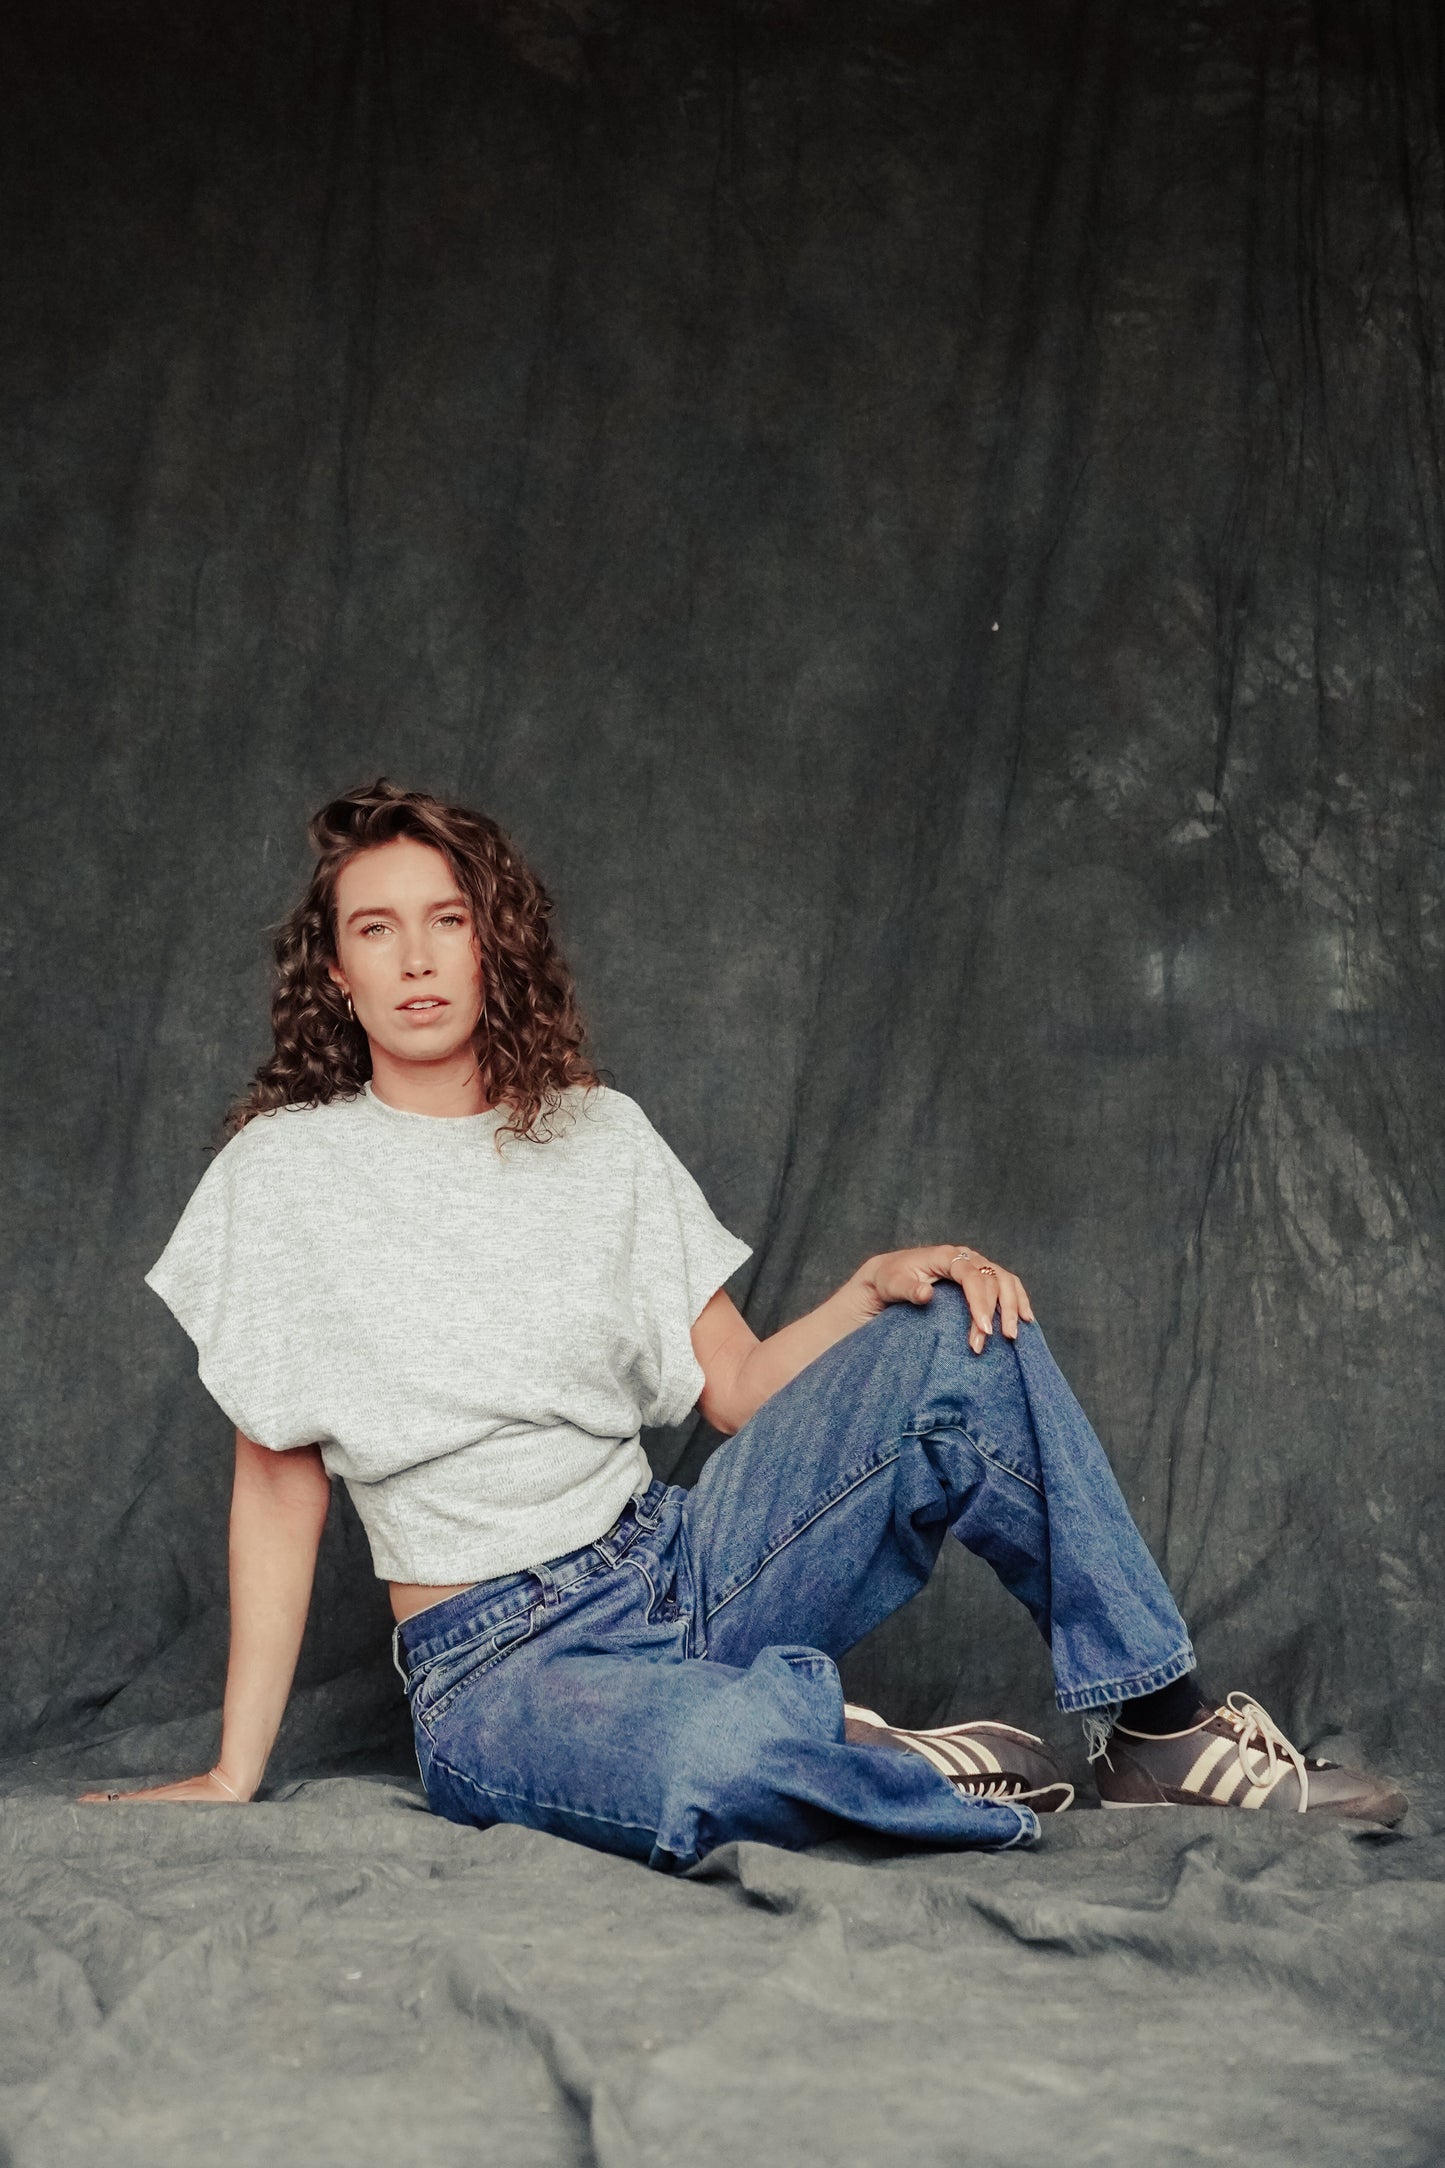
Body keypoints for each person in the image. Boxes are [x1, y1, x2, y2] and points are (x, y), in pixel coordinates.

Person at [82, 780, 1406, 1858]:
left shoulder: (598, 1136)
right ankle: (847, 1748)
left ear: (496, 943)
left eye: (448, 918)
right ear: (336, 970)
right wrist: (232, 1770)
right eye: (376, 928)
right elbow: (274, 1477)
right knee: (701, 1766)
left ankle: (1159, 1734)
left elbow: (729, 1391)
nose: (419, 957)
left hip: (676, 1563)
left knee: (957, 1335)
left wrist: (868, 1288)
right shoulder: (285, 1172)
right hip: (498, 1669)